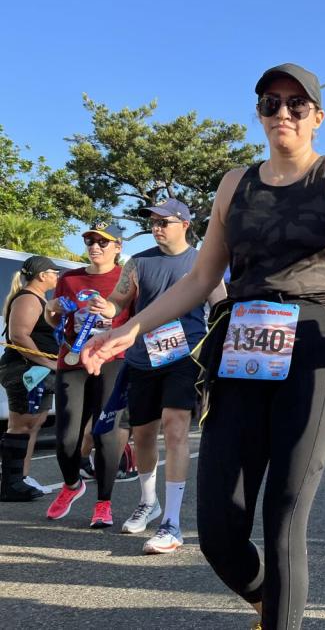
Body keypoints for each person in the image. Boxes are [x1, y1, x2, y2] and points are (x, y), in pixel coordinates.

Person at [81, 62, 325, 630]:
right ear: (259, 113)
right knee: (221, 531)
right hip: (244, 344)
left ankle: (282, 617)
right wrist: (129, 328)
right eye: (270, 103)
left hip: (316, 344)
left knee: (284, 516)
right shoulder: (236, 182)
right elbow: (201, 278)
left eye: (296, 105)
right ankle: (272, 607)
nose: (283, 113)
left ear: (317, 118)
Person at [87, 198, 225, 553]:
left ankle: (172, 523)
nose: (157, 226)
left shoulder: (202, 263)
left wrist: (220, 354)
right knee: (143, 434)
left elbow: (221, 308)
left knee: (176, 427)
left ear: (185, 224)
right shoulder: (138, 261)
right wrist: (108, 308)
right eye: (153, 221)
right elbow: (120, 300)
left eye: (165, 221)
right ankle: (150, 502)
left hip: (185, 355)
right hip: (141, 356)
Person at [44, 222, 132, 527]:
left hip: (113, 359)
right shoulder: (69, 278)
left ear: (118, 247)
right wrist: (51, 307)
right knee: (66, 439)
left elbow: (139, 318)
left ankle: (104, 502)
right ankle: (72, 485)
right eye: (90, 241)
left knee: (104, 434)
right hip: (73, 359)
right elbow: (54, 317)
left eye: (103, 242)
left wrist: (112, 316)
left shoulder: (126, 278)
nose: (95, 246)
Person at [0, 256, 62, 501]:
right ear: (41, 275)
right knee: (20, 426)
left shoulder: (39, 299)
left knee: (33, 424)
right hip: (25, 371)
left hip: (36, 372)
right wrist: (47, 362)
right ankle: (10, 483)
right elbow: (19, 336)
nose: (57, 276)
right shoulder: (28, 298)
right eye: (54, 272)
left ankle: (21, 479)